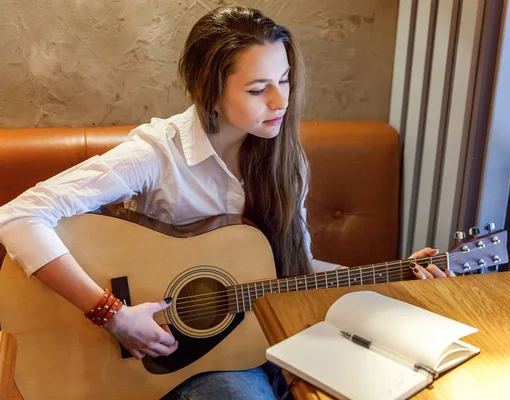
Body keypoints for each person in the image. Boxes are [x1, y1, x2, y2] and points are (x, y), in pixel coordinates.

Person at [0, 4, 453, 399]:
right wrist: (112, 315)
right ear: (210, 91)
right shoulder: (157, 153)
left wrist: (396, 275)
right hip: (166, 359)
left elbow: (293, 270)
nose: (280, 101)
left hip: (261, 337)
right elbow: (18, 216)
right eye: (257, 89)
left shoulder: (286, 162)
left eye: (285, 80)